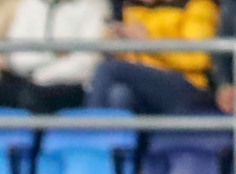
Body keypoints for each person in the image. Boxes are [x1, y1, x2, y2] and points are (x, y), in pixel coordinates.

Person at [87, 0, 220, 115]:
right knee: (120, 94)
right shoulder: (133, 9)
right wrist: (115, 43)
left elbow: (200, 58)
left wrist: (150, 44)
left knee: (108, 69)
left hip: (186, 83)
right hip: (143, 84)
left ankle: (89, 134)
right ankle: (114, 143)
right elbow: (131, 59)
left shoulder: (198, 6)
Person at [0, 0, 112, 113]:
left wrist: (41, 75)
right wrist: (55, 55)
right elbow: (17, 59)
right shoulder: (29, 4)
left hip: (73, 87)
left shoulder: (91, 6)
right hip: (28, 84)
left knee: (32, 98)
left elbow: (84, 64)